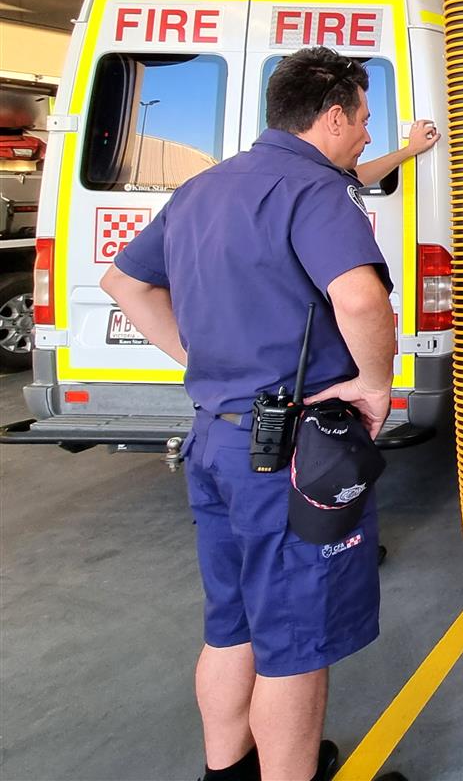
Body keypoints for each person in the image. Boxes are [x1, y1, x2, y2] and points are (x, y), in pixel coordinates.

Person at [99, 46, 417, 781]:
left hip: (214, 438)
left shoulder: (202, 189)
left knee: (233, 625)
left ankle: (228, 771)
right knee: (295, 646)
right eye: (365, 120)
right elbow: (363, 300)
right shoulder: (314, 190)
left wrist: (200, 358)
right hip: (290, 459)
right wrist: (375, 384)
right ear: (332, 117)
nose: (369, 136)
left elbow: (125, 282)